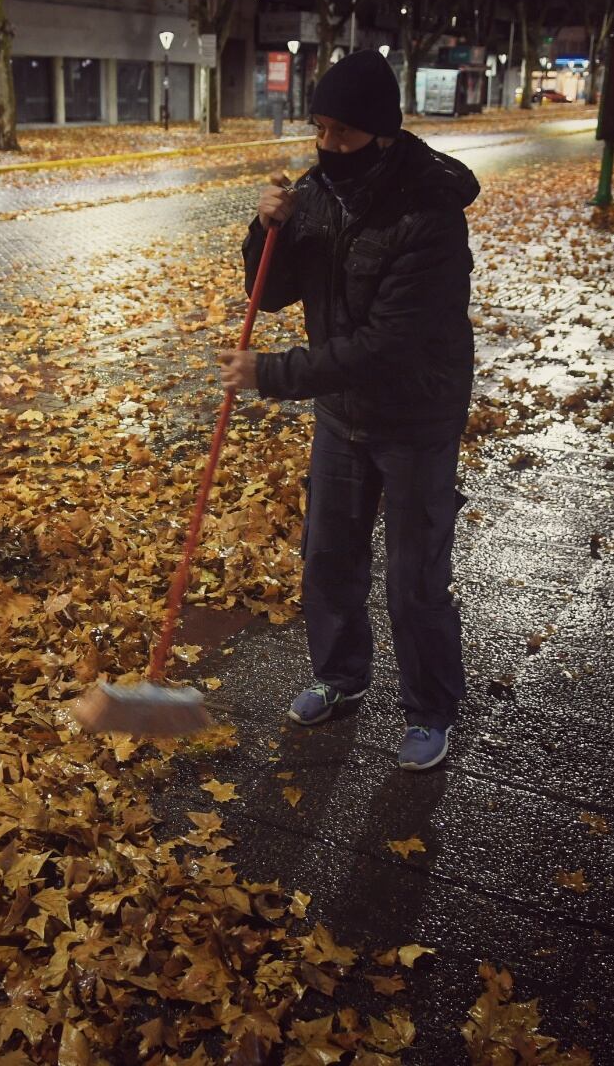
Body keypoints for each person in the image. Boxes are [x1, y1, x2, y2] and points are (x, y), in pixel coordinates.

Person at [218, 49, 479, 771]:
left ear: (382, 132)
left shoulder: (427, 213)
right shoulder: (319, 192)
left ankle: (431, 710)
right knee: (328, 558)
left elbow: (388, 345)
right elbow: (270, 295)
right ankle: (340, 677)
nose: (326, 146)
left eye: (342, 132)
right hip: (341, 414)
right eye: (319, 128)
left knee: (413, 577)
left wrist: (270, 375)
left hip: (415, 417)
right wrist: (262, 229)